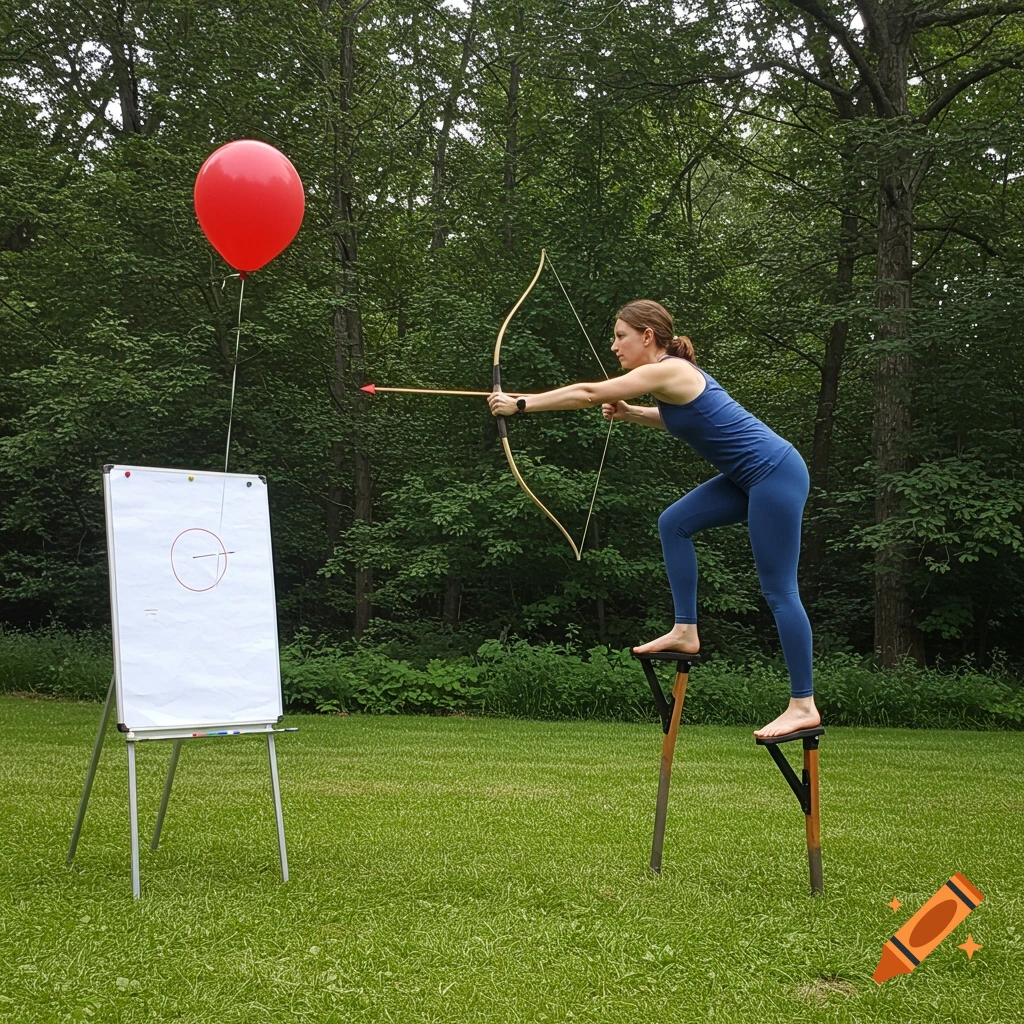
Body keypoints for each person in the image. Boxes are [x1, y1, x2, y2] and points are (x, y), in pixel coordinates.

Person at [487, 299, 819, 739]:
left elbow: (589, 393)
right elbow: (683, 419)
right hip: (749, 477)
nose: (613, 345)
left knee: (779, 591)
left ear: (648, 336)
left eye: (621, 336)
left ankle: (803, 704)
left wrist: (521, 404)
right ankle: (685, 630)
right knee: (673, 522)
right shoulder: (672, 382)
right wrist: (631, 414)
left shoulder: (670, 368)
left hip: (775, 473)